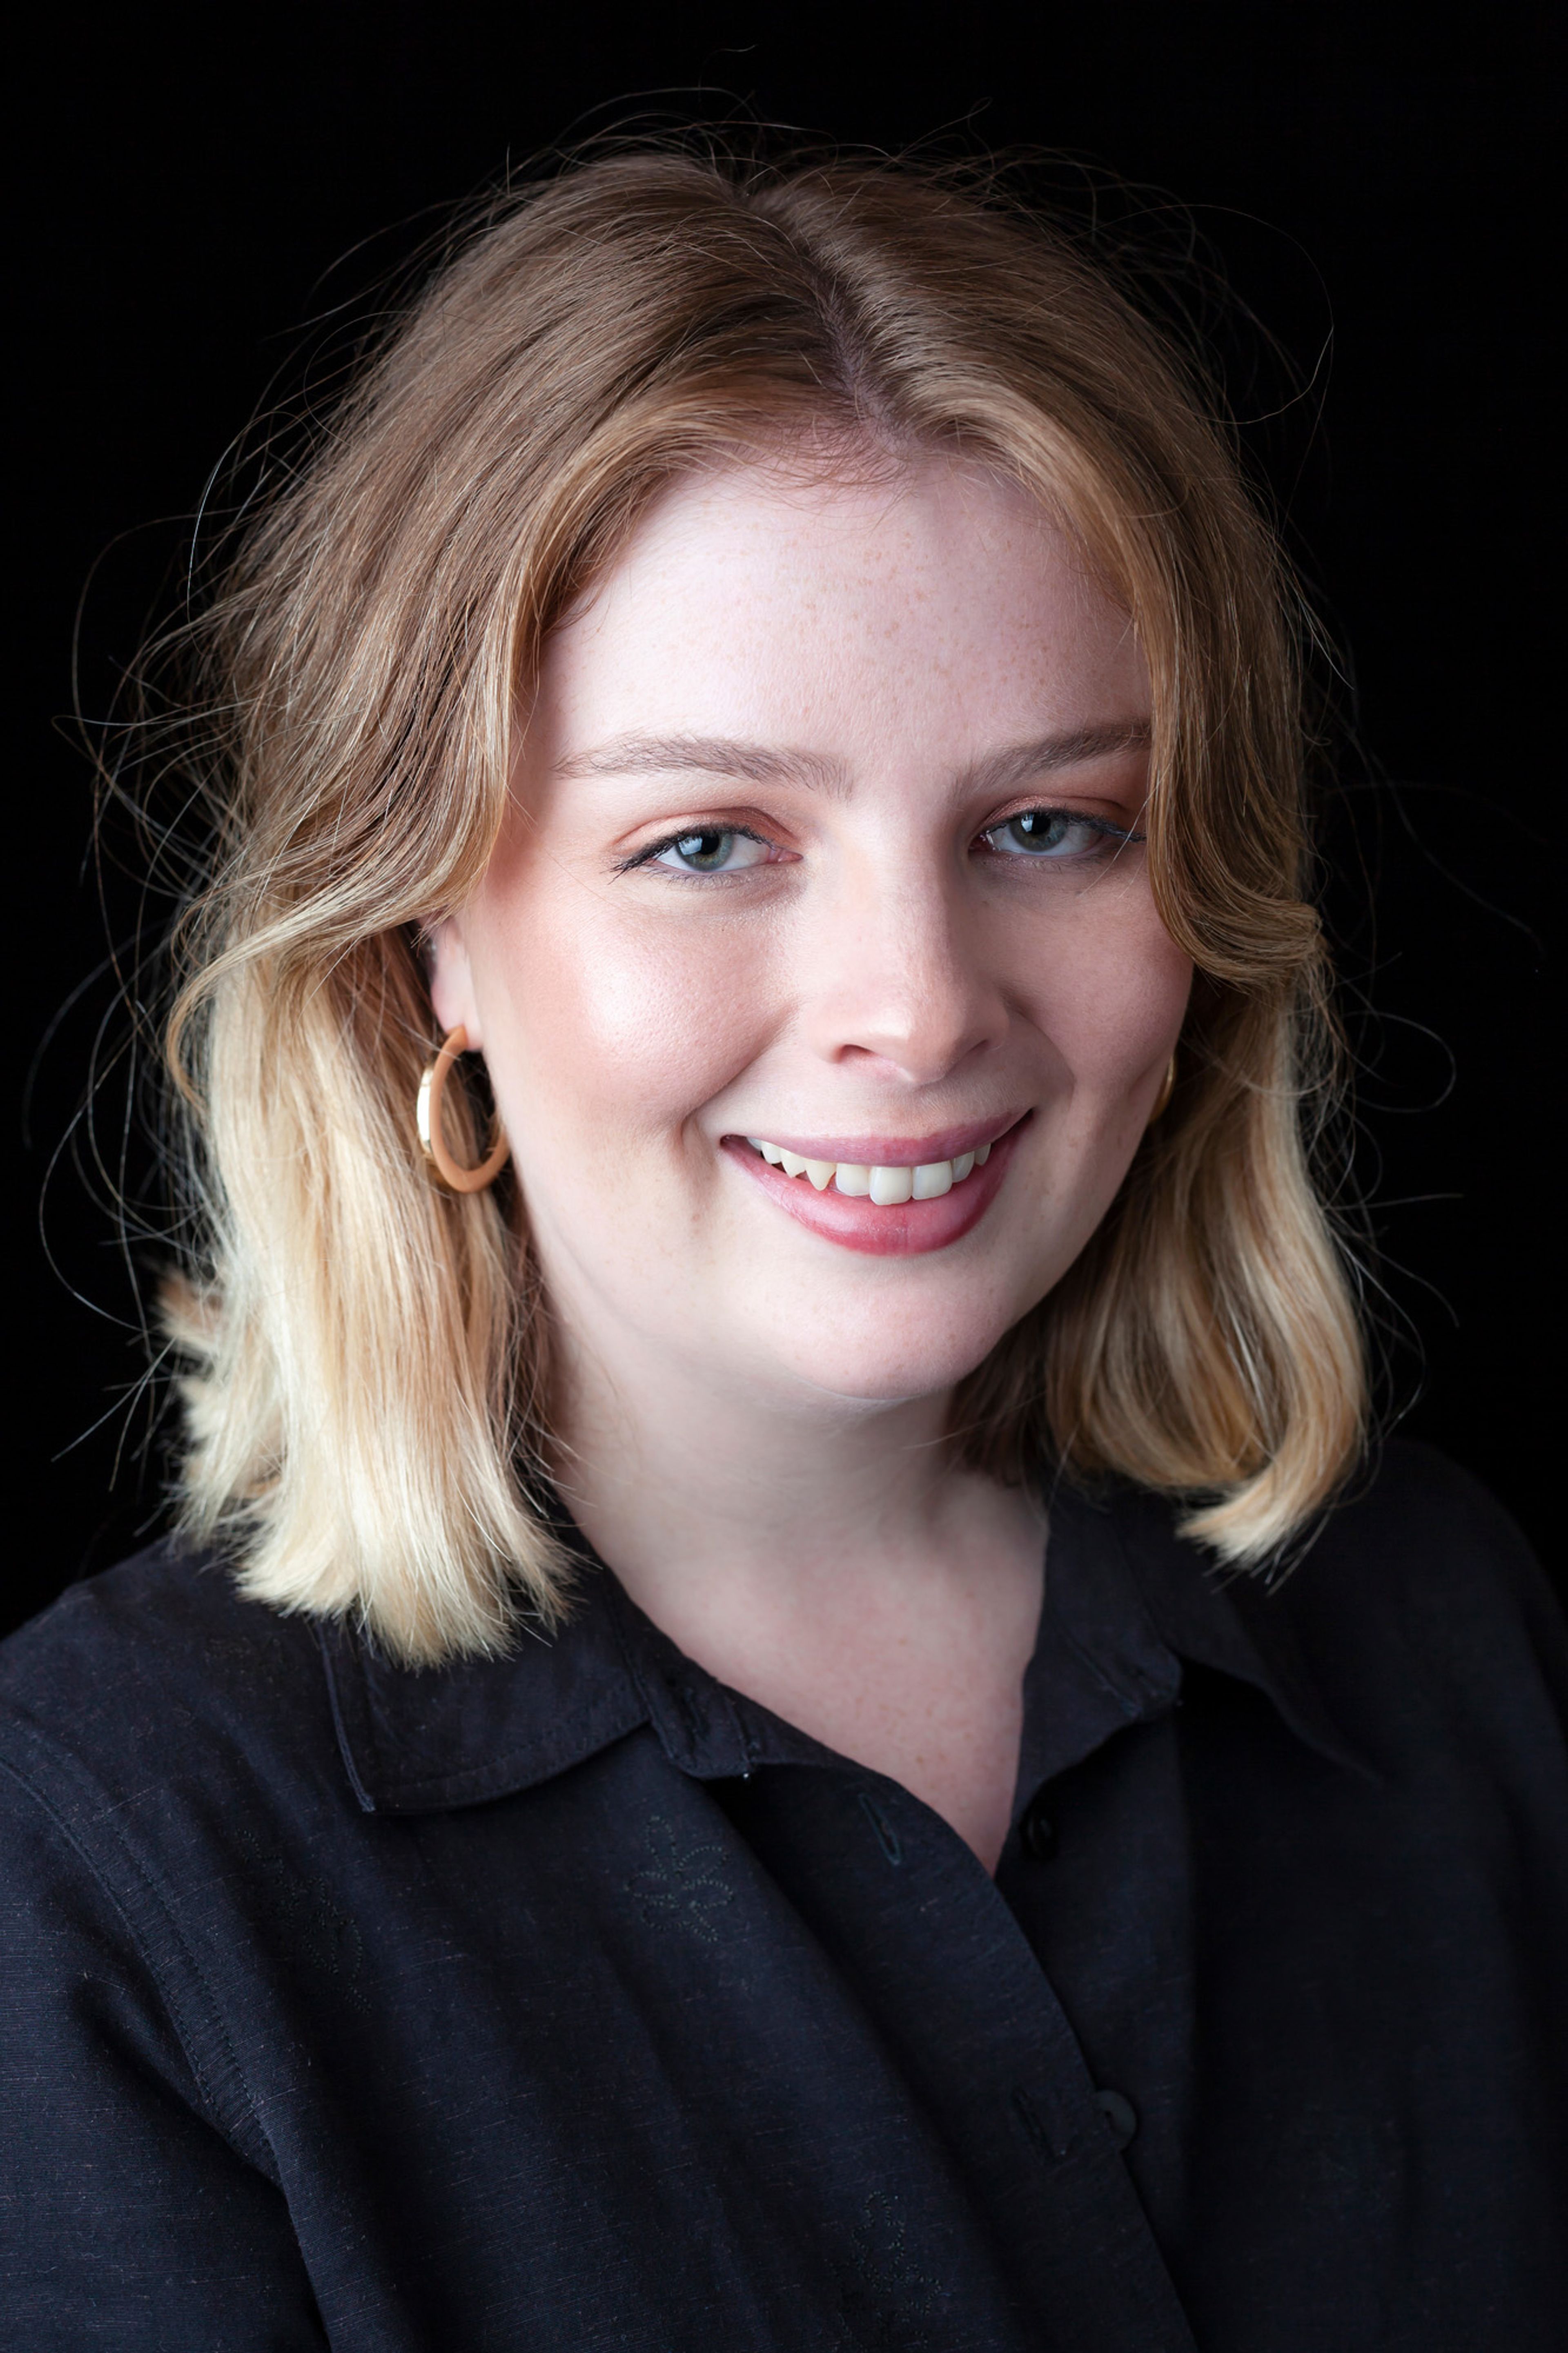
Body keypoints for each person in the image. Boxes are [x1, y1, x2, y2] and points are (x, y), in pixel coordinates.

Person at [2, 147, 1562, 2353]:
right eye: (710, 839)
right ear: (419, 940)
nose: (917, 1002)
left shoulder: (1444, 1637)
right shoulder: (106, 1857)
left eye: (1050, 824)